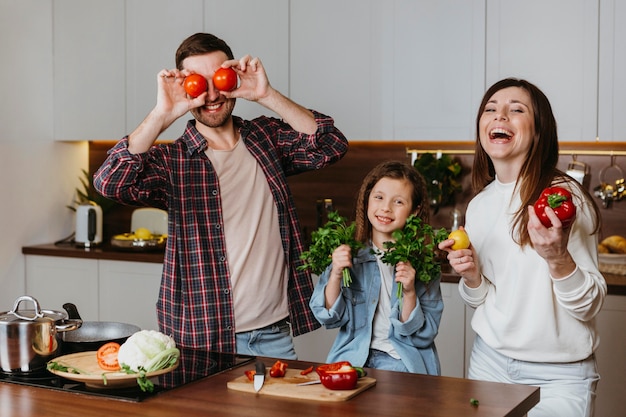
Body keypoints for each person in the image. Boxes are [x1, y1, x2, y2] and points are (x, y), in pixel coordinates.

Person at [94, 33, 348, 359]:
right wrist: (162, 113)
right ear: (186, 87)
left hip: (274, 333)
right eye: (199, 83)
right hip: (201, 337)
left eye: (219, 79)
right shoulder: (174, 161)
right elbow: (110, 182)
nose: (212, 94)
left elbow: (331, 144)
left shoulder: (266, 139)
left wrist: (265, 94)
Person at [438, 78, 605, 417]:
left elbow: (589, 306)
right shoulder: (480, 206)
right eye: (490, 109)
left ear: (539, 132)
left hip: (558, 377)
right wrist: (471, 276)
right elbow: (482, 300)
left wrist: (558, 259)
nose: (500, 116)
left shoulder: (562, 199)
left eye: (516, 110)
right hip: (489, 365)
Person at [310, 161, 443, 374]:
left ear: (415, 211)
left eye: (398, 201)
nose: (385, 208)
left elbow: (423, 335)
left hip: (401, 361)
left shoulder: (424, 265)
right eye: (379, 197)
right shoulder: (348, 254)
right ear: (367, 200)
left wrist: (409, 292)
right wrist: (335, 273)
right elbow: (329, 317)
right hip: (353, 358)